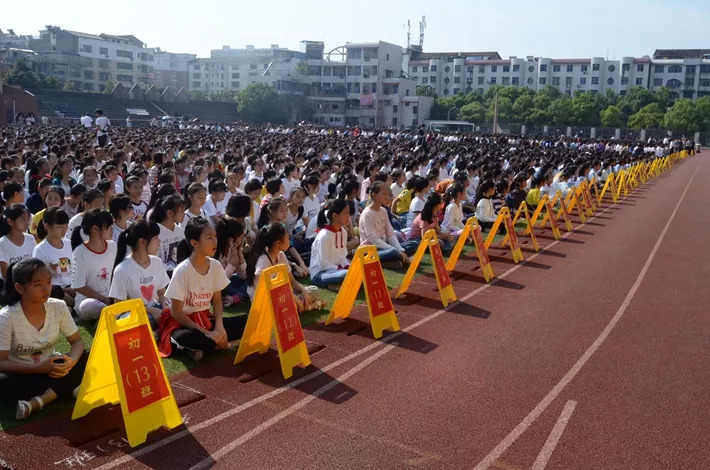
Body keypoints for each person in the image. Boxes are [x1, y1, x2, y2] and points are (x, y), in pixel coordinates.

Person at [0, 258, 88, 421]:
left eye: (48, 282)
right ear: (20, 288)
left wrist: (71, 362)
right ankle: (68, 387)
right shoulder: (7, 317)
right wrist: (40, 368)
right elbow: (2, 362)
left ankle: (37, 401)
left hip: (54, 368)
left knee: (89, 356)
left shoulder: (58, 306)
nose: (46, 288)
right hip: (23, 373)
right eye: (37, 284)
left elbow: (77, 342)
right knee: (3, 384)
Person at [159, 218, 247, 361]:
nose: (215, 242)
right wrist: (206, 333)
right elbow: (176, 312)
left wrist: (219, 327)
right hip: (184, 324)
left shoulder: (215, 265)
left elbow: (217, 300)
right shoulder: (182, 271)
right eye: (209, 238)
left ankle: (206, 348)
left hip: (206, 319)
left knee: (246, 321)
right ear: (194, 243)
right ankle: (218, 344)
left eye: (215, 237)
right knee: (183, 337)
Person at [247, 223, 325, 312]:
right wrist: (292, 297)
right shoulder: (263, 260)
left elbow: (292, 281)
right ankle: (308, 306)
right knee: (290, 305)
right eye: (288, 238)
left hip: (281, 296)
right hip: (264, 301)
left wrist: (303, 290)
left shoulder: (281, 255)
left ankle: (302, 305)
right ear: (278, 243)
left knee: (313, 290)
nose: (290, 240)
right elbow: (266, 290)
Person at [110, 219, 170, 329]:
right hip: (132, 315)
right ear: (142, 242)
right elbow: (120, 306)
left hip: (155, 308)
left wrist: (166, 306)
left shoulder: (157, 262)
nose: (159, 242)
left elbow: (162, 293)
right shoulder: (122, 270)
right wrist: (151, 310)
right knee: (147, 321)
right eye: (156, 238)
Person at [70, 209, 117, 321]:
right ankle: (114, 314)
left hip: (110, 298)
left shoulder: (113, 246)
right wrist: (104, 300)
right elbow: (79, 286)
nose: (112, 229)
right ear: (95, 229)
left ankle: (111, 314)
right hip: (89, 300)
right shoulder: (80, 252)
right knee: (89, 306)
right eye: (108, 226)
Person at [359, 182, 413, 269]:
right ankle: (395, 259)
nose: (386, 197)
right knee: (392, 252)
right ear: (374, 195)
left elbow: (390, 234)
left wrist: (400, 250)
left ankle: (397, 259)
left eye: (387, 194)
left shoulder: (383, 211)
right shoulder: (366, 214)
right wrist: (395, 250)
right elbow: (374, 240)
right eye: (383, 194)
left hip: (385, 246)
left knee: (413, 244)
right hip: (370, 250)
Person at [32, 208, 75, 307]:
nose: (64, 229)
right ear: (47, 226)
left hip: (73, 287)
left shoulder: (69, 243)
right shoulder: (40, 249)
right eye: (60, 226)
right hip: (55, 290)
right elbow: (39, 278)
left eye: (66, 225)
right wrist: (64, 290)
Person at [309, 199, 351, 290]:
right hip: (320, 273)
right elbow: (322, 265)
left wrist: (347, 266)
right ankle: (336, 284)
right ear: (335, 215)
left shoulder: (343, 232)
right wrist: (342, 270)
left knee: (359, 271)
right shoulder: (324, 235)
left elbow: (342, 257)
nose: (349, 216)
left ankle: (339, 285)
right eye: (346, 213)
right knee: (348, 274)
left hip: (336, 270)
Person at [150, 195, 186, 276]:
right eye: (182, 211)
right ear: (170, 213)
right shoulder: (156, 232)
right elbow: (154, 260)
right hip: (163, 275)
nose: (184, 214)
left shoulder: (179, 230)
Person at [215, 218, 247, 307]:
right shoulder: (216, 254)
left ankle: (235, 296)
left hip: (229, 281)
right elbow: (220, 282)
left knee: (251, 281)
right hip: (219, 287)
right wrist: (232, 263)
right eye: (240, 238)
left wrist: (239, 256)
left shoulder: (233, 250)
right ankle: (237, 296)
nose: (242, 241)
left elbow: (244, 276)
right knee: (243, 289)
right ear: (231, 240)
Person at [0, 205, 37, 281]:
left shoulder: (30, 238)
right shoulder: (2, 243)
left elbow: (36, 263)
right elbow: (5, 273)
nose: (27, 222)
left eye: (28, 219)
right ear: (10, 222)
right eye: (22, 219)